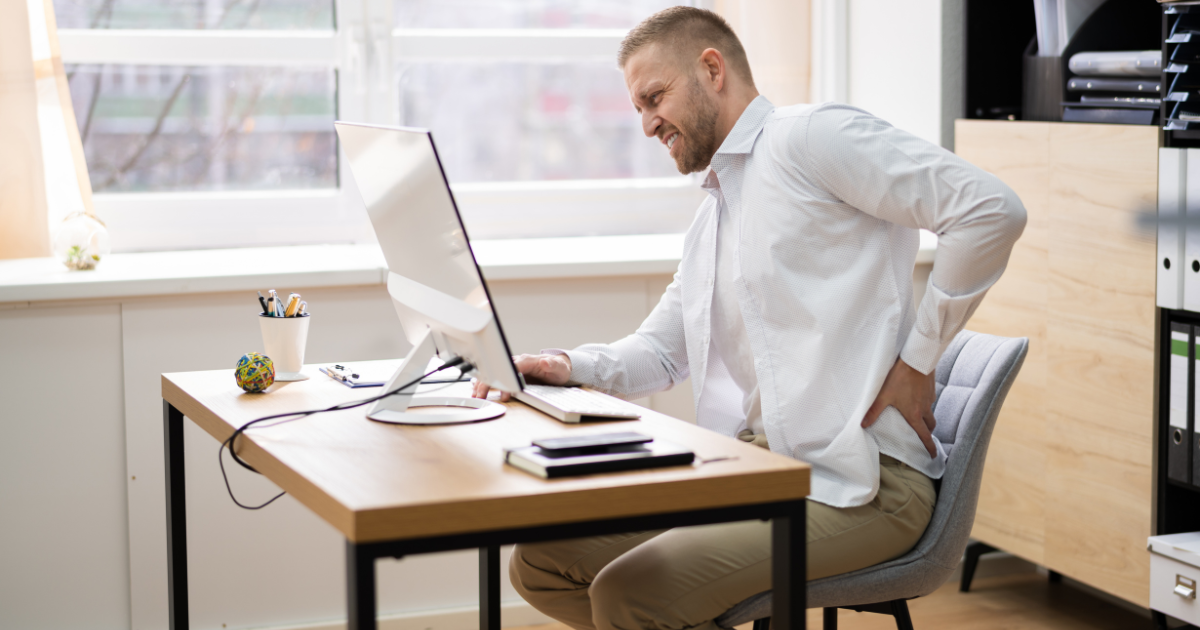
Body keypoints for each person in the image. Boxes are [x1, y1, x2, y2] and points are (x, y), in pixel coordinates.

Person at [472, 7, 1026, 630]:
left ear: (712, 69)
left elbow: (990, 210)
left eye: (655, 97)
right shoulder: (714, 216)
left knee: (634, 592)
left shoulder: (812, 137)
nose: (649, 123)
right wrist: (567, 366)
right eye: (638, 108)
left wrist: (919, 359)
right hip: (761, 472)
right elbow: (660, 352)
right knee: (543, 562)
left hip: (865, 482)